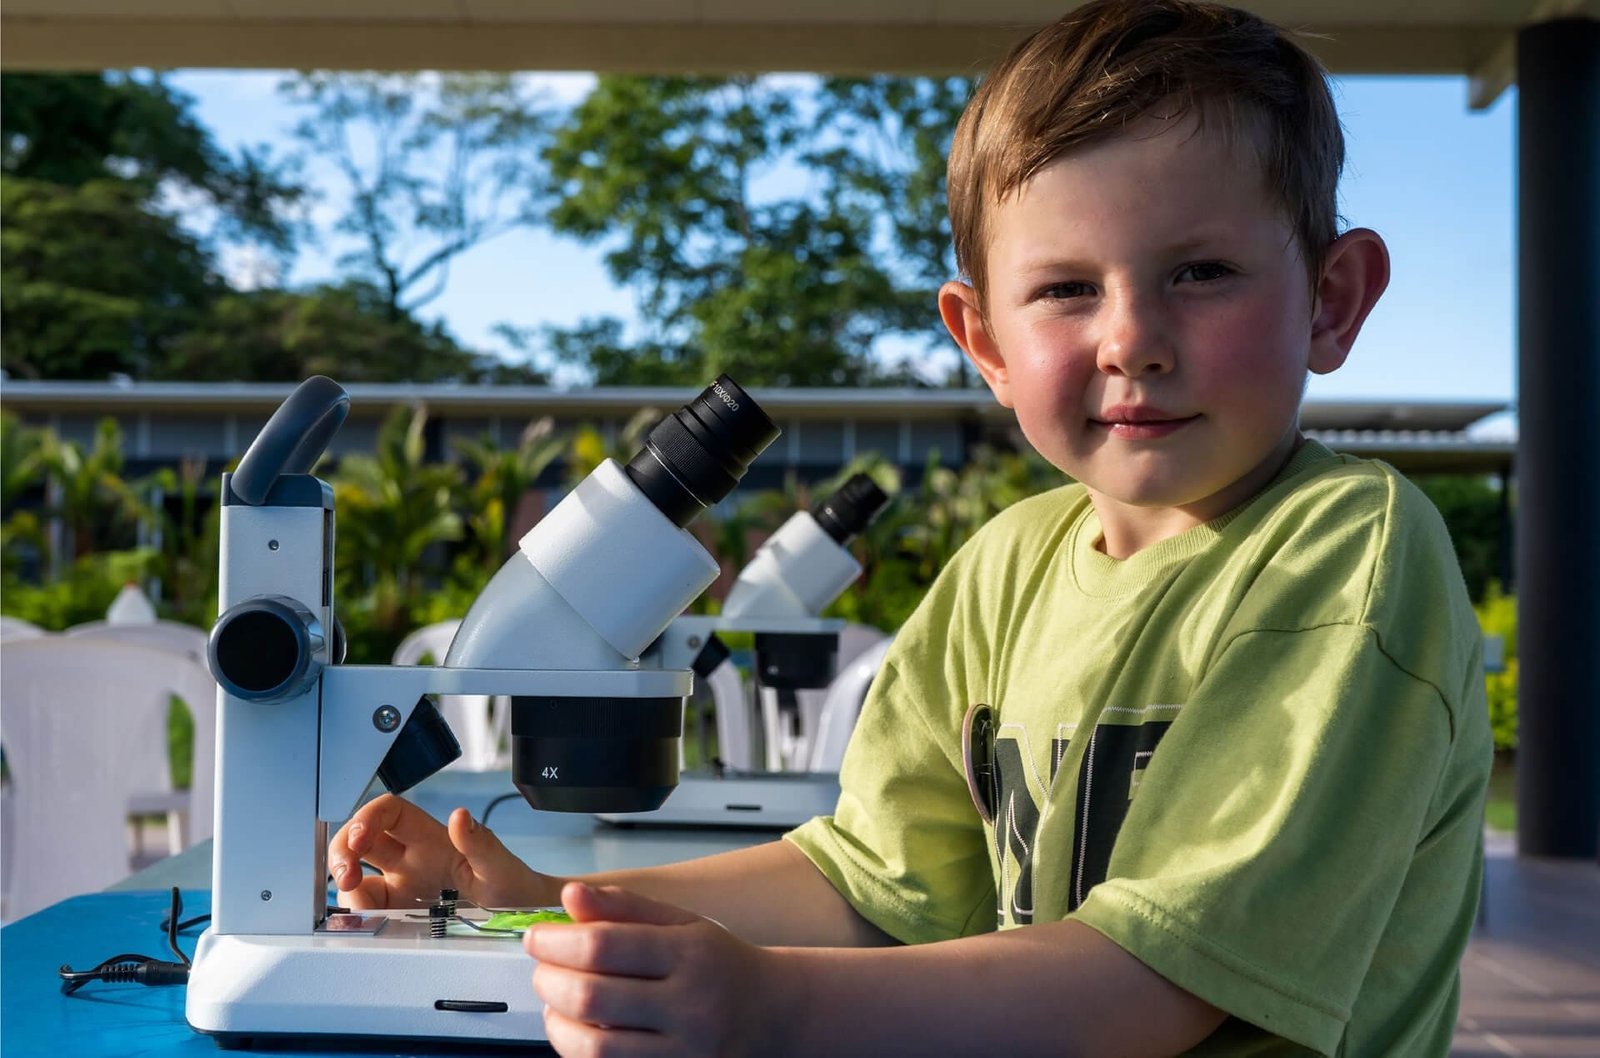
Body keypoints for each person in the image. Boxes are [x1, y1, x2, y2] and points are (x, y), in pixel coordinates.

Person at [328, 2, 1492, 1053]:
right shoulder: (1004, 569)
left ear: (1331, 299)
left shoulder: (1347, 549)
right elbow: (868, 884)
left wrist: (770, 1005)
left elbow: (1155, 982)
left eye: (1199, 271)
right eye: (1066, 289)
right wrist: (541, 903)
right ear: (982, 342)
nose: (1131, 337)